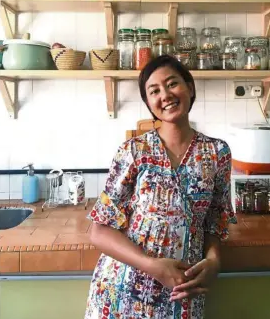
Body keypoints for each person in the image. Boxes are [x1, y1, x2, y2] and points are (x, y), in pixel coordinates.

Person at [84, 55, 237, 319]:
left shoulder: (216, 152)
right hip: (123, 291)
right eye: (154, 91)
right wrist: (152, 266)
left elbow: (214, 220)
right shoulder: (134, 151)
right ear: (149, 105)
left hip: (183, 290)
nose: (165, 95)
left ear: (189, 87)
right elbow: (98, 230)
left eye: (172, 84)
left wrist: (213, 261)